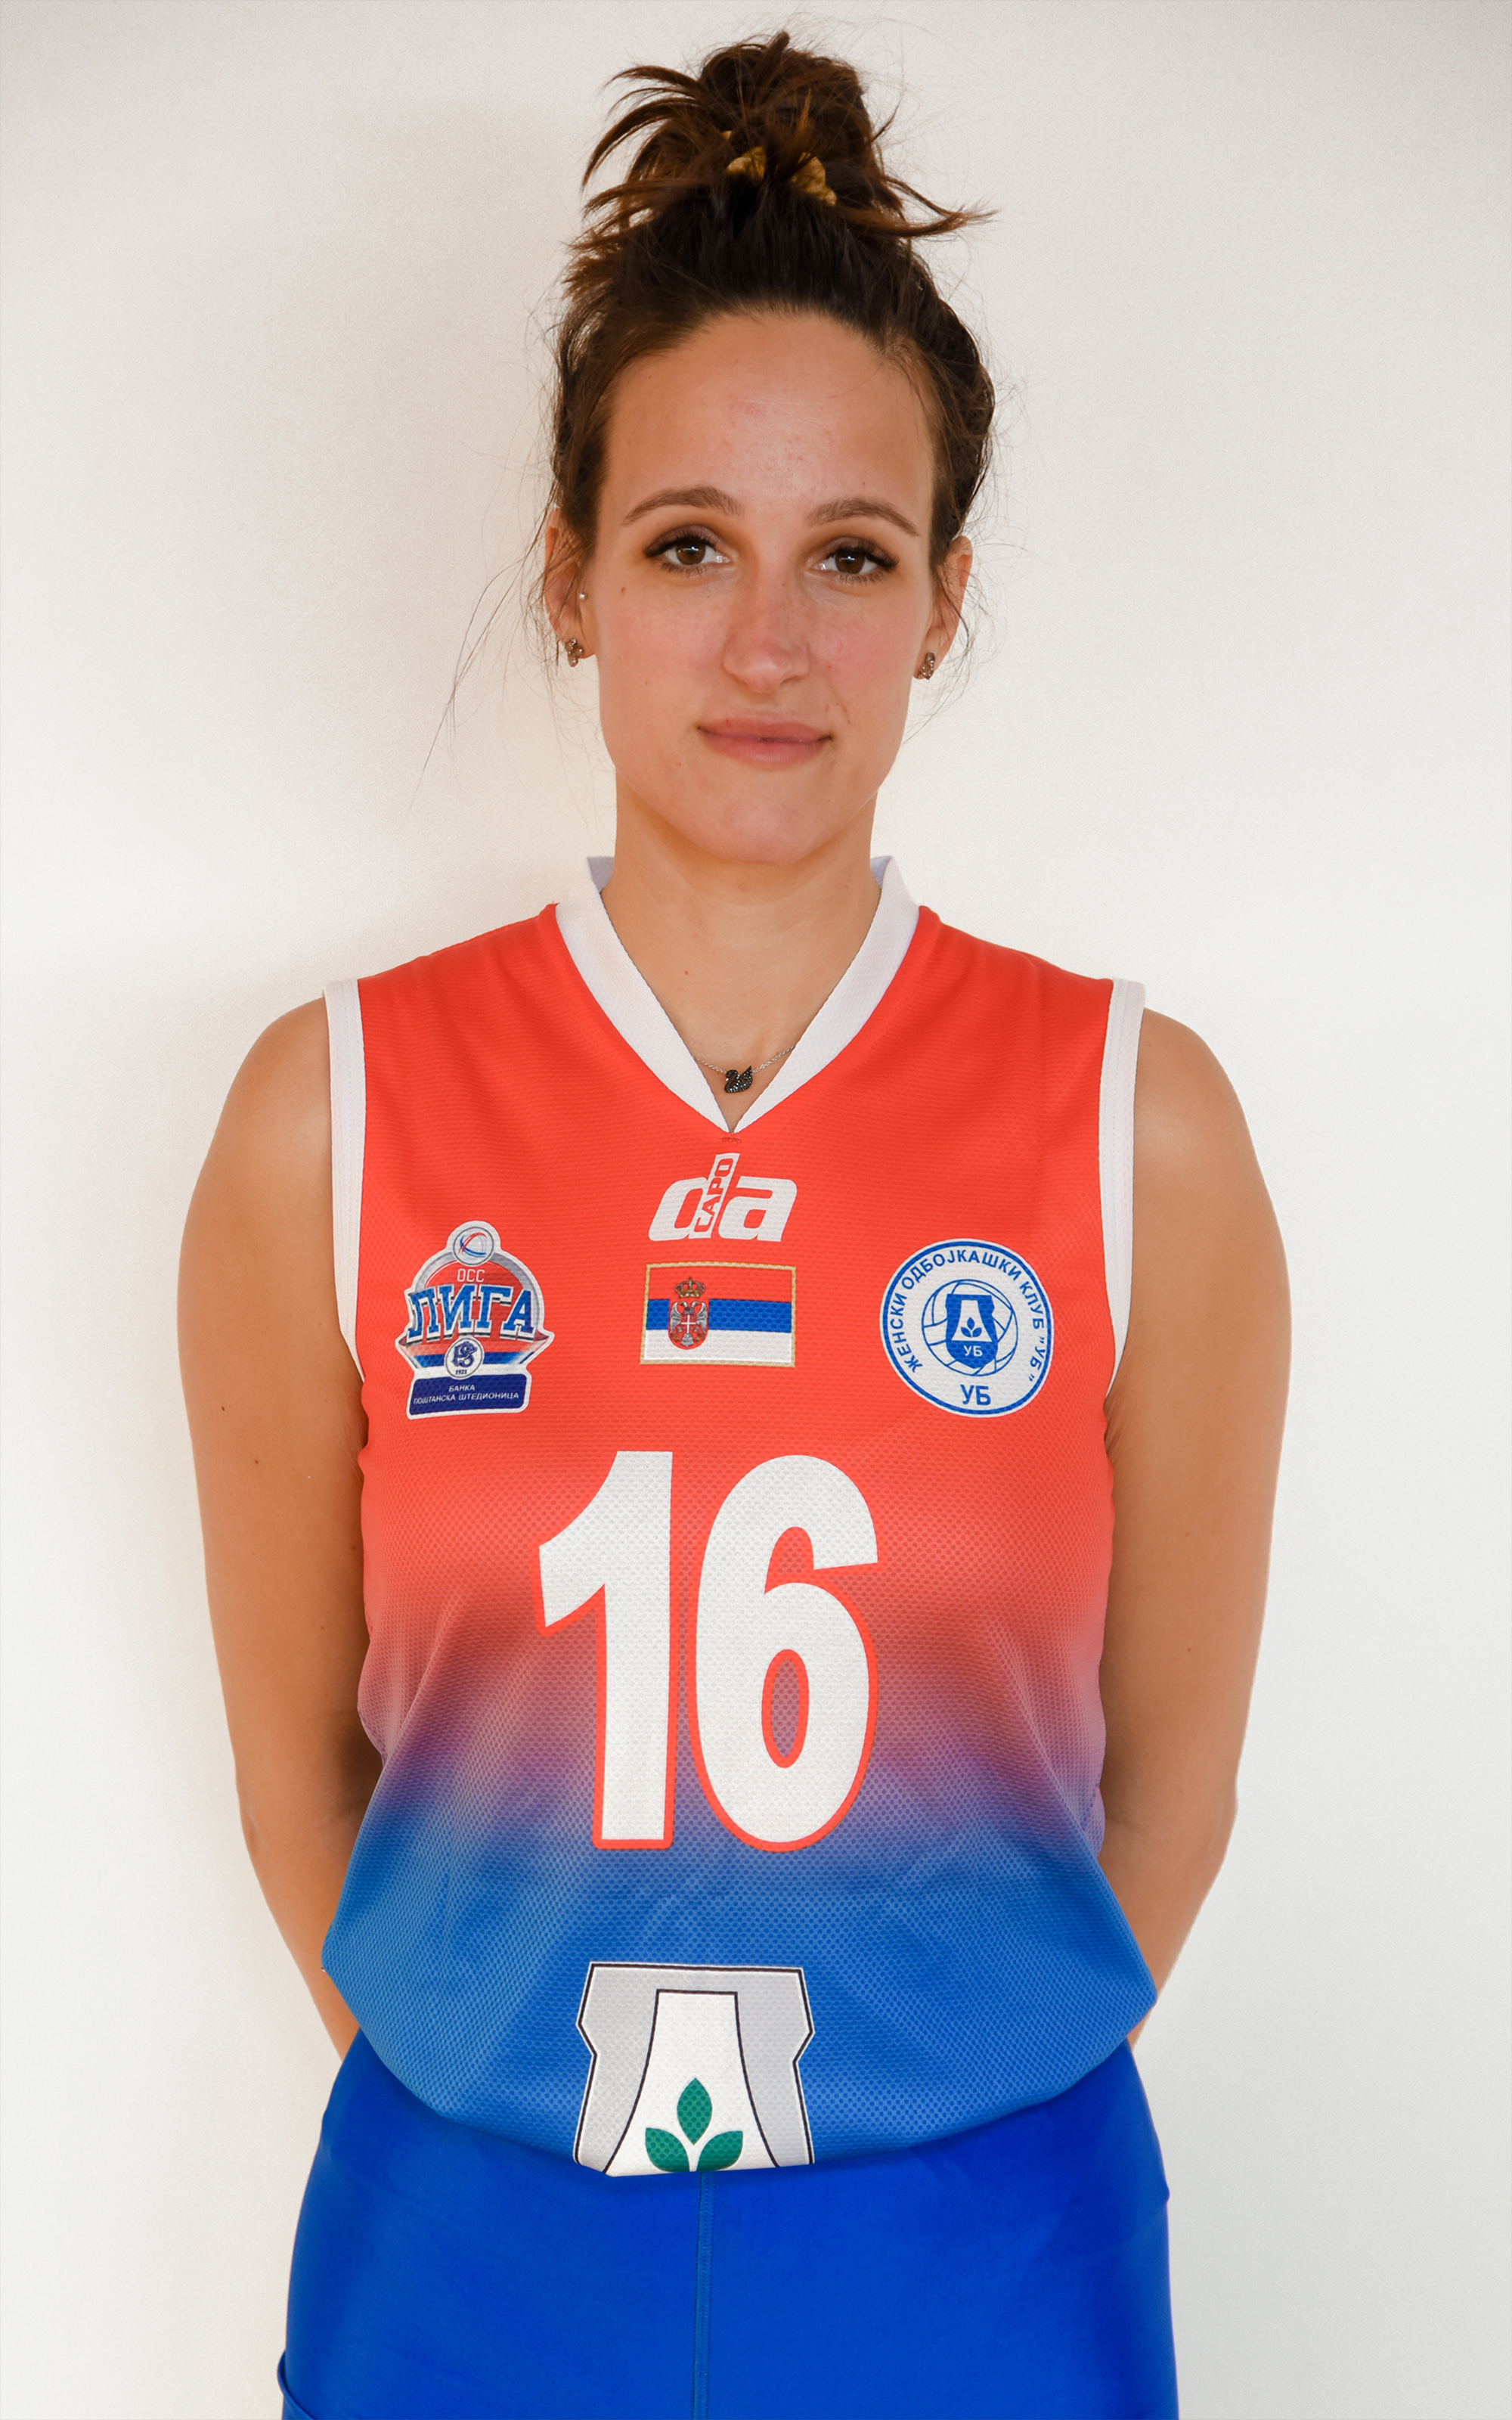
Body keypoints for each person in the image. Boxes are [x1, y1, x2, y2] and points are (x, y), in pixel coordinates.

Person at [178, 33, 1289, 2420]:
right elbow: (298, 1781)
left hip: (980, 2240)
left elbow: (1171, 1794)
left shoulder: (1140, 1127)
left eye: (850, 558)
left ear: (944, 599)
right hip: (476, 2232)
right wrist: (502, 2090)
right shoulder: (330, 1115)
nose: (770, 644)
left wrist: (934, 2087)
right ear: (572, 574)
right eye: (691, 544)